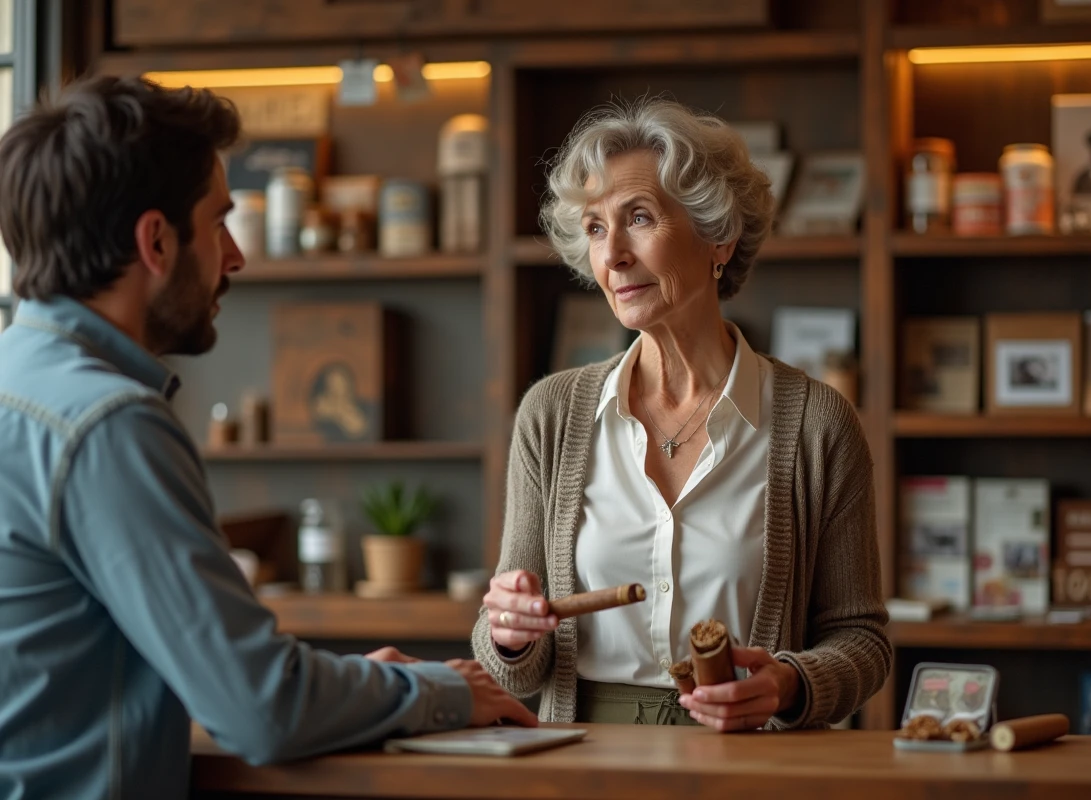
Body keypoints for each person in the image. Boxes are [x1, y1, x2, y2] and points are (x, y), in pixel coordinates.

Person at [0, 75, 535, 800]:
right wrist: (447, 689)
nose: (236, 256)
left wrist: (365, 685)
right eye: (218, 222)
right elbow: (261, 710)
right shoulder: (106, 425)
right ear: (155, 241)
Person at [471, 98, 892, 731]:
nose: (611, 254)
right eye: (593, 227)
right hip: (582, 761)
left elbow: (861, 640)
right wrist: (508, 632)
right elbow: (514, 665)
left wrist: (789, 684)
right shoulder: (550, 415)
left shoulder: (817, 425)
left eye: (638, 217)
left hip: (752, 766)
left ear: (718, 235)